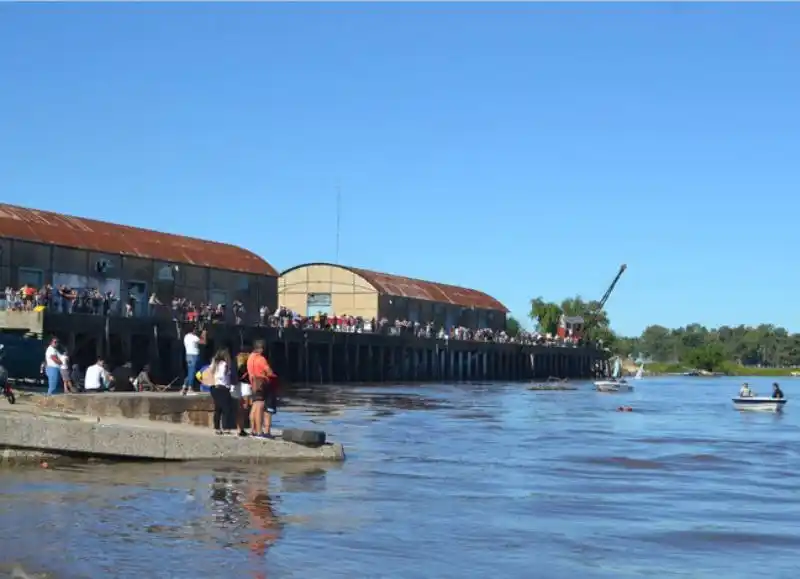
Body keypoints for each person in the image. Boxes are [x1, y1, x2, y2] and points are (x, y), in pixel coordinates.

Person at [246, 340, 278, 438]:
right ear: (261, 349)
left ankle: (253, 430)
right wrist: (273, 375)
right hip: (262, 383)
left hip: (253, 382)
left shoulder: (250, 357)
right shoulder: (261, 359)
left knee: (255, 407)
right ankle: (260, 432)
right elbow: (268, 371)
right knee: (260, 407)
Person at [209, 348, 234, 435]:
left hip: (215, 388)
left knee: (218, 409)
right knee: (226, 409)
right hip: (223, 388)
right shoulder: (225, 365)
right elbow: (223, 376)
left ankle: (217, 427)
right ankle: (226, 427)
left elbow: (210, 372)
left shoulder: (215, 363)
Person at [181, 326, 205, 396]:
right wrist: (204, 333)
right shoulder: (193, 337)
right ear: (193, 330)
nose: (196, 331)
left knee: (190, 372)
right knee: (192, 372)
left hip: (188, 355)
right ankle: (190, 389)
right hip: (193, 356)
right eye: (195, 329)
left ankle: (184, 387)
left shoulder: (186, 336)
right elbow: (203, 341)